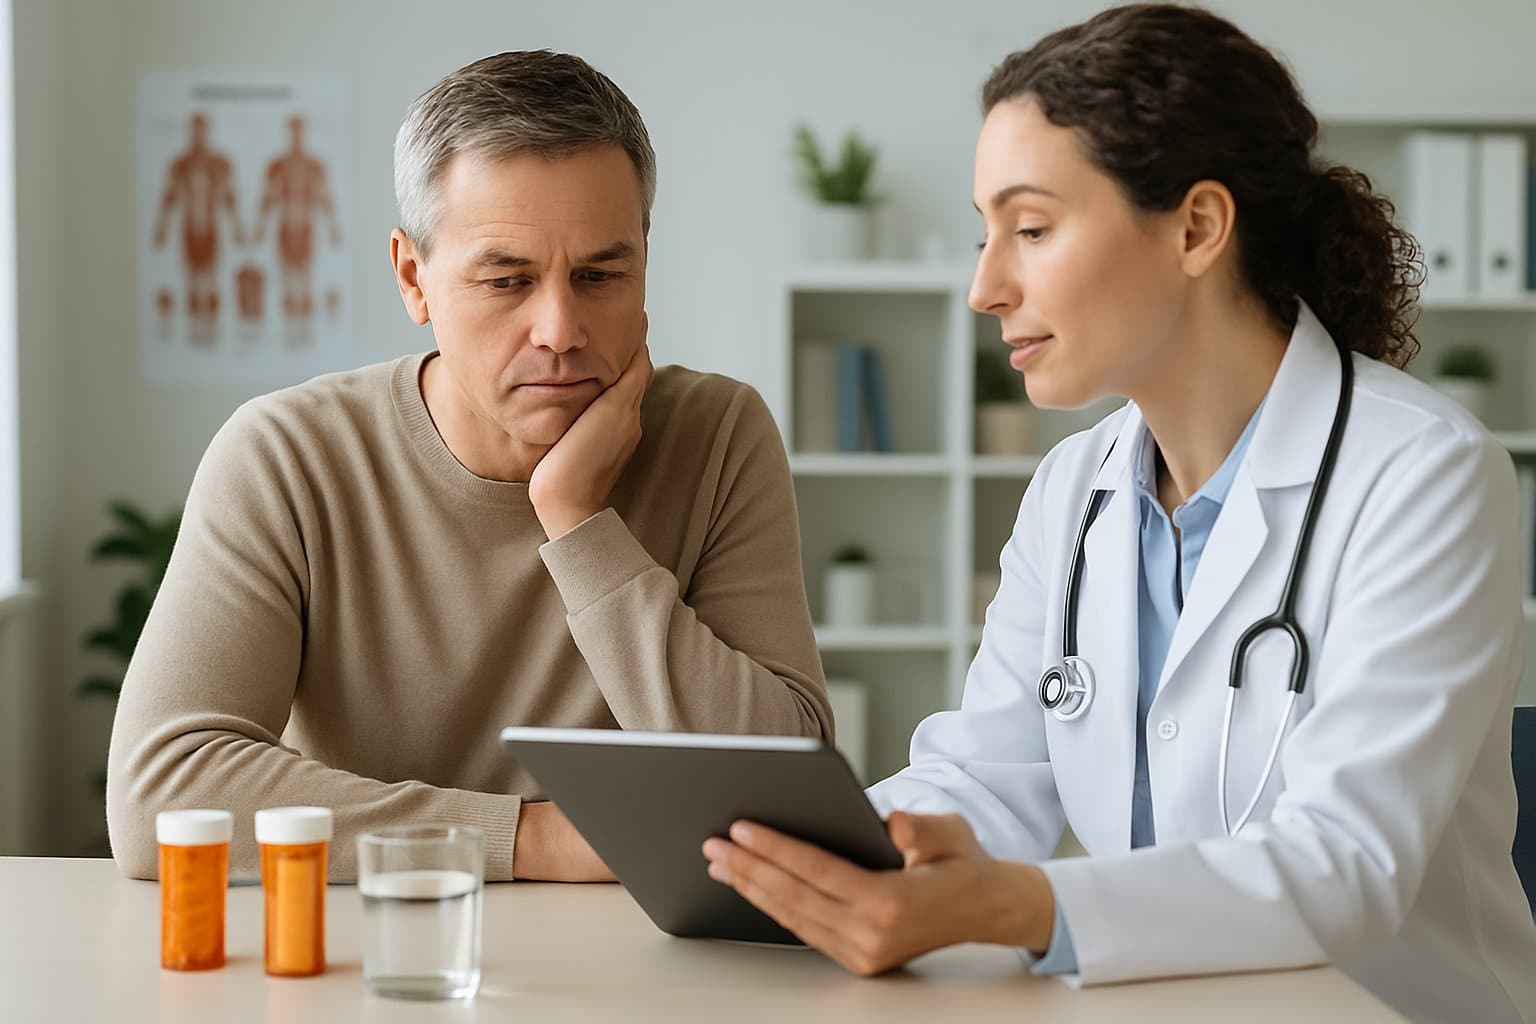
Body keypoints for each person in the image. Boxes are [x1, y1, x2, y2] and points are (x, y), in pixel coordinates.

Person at [702, 7, 1536, 1022]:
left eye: (1033, 229)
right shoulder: (1073, 490)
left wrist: (1021, 902)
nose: (983, 286)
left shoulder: (1424, 474)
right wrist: (784, 860)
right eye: (985, 232)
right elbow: (984, 780)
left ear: (1195, 228)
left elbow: (1346, 863)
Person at [109, 50, 831, 883]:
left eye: (601, 274)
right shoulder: (287, 456)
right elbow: (160, 796)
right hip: (373, 965)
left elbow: (786, 790)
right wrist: (537, 839)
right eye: (506, 280)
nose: (560, 327)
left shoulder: (718, 436)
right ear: (414, 279)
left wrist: (578, 520)